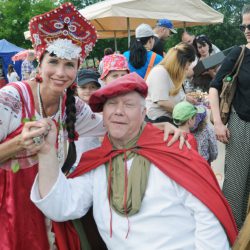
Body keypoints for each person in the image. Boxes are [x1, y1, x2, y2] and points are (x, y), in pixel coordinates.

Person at [29, 72, 237, 249]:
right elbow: (61, 206)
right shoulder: (97, 162)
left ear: (143, 113)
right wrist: (46, 152)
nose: (118, 111)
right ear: (104, 113)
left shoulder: (175, 151)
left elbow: (209, 220)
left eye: (128, 104)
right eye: (111, 104)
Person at [0, 3, 104, 249]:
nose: (61, 72)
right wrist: (17, 144)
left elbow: (110, 126)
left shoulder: (74, 106)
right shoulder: (11, 98)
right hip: (7, 207)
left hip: (48, 205)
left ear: (78, 68)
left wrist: (161, 128)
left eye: (69, 65)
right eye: (54, 61)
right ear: (40, 62)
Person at [209, 4, 250, 230]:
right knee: (236, 188)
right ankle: (233, 236)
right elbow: (214, 86)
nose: (246, 30)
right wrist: (217, 122)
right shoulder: (239, 52)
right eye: (243, 25)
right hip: (241, 125)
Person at [145, 42, 195, 124]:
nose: (187, 68)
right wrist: (185, 112)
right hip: (161, 121)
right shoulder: (160, 72)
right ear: (181, 62)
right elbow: (162, 102)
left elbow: (171, 94)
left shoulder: (170, 73)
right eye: (188, 64)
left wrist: (185, 98)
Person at [73, 69, 102, 170]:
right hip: (76, 161)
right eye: (83, 87)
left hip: (97, 158)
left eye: (92, 87)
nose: (88, 91)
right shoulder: (72, 107)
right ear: (76, 89)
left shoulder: (103, 107)